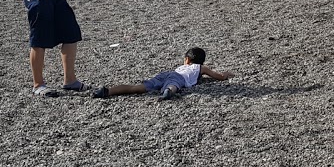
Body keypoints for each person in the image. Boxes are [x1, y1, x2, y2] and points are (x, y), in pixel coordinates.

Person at [92, 47, 232, 101]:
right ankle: (167, 92)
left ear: (186, 59)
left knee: (137, 87)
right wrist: (226, 74)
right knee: (173, 85)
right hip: (178, 78)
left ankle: (108, 91)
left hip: (167, 73)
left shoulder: (182, 67)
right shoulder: (200, 68)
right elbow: (218, 76)